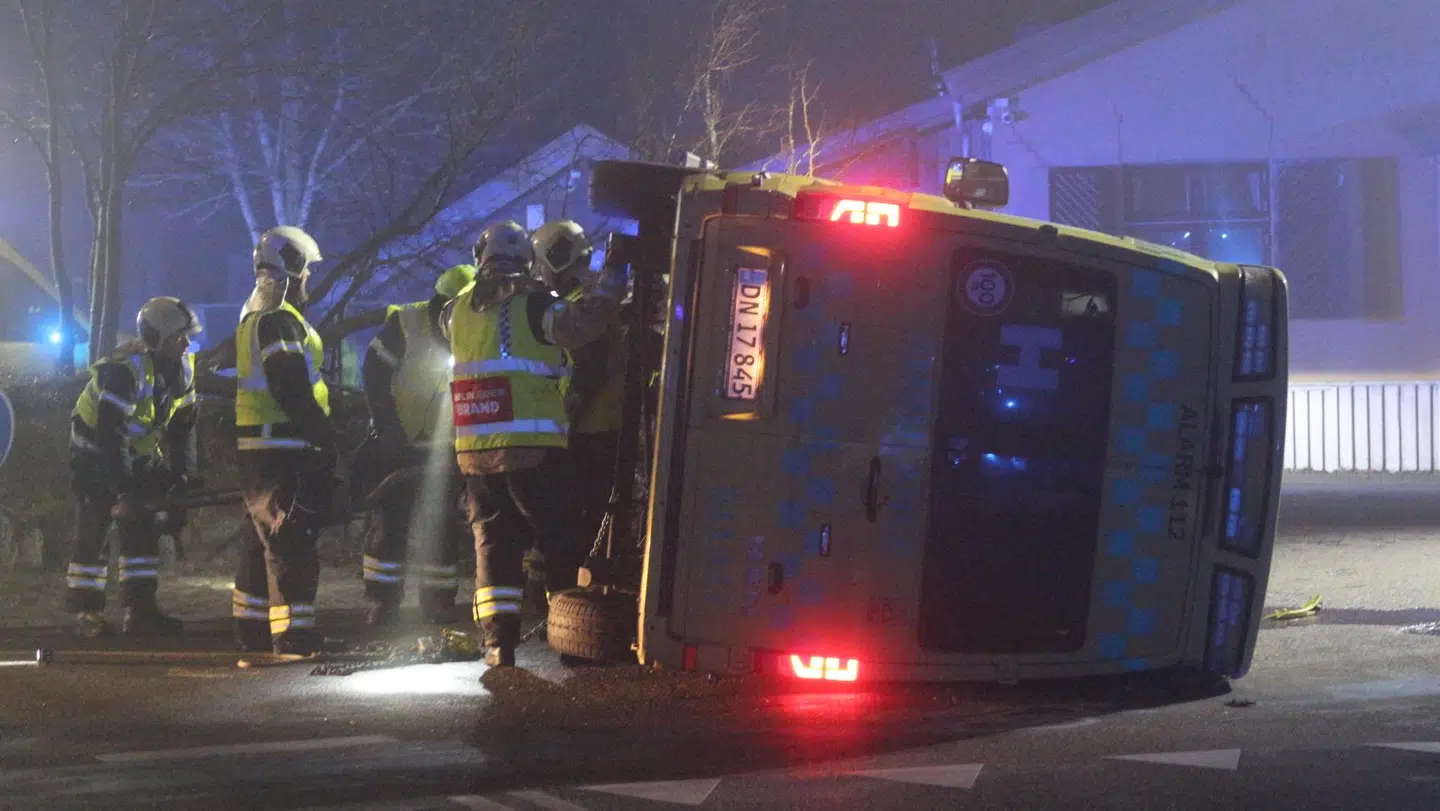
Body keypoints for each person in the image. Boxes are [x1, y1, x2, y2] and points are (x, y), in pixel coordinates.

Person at [445, 220, 625, 667]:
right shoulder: (535, 303)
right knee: (561, 536)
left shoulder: (456, 310)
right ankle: (567, 636)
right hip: (531, 448)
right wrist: (615, 277)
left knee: (493, 544)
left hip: (474, 455)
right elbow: (584, 326)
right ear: (527, 262)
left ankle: (497, 644)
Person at [66, 297, 202, 637]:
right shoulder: (123, 371)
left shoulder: (182, 370)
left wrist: (183, 475)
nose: (187, 344)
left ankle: (140, 612)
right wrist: (123, 491)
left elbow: (184, 427)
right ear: (157, 339)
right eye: (179, 337)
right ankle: (87, 615)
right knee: (95, 528)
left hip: (134, 454)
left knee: (142, 528)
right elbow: (111, 434)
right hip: (94, 455)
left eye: (188, 336)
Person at [231, 226, 337, 655]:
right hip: (284, 449)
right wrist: (323, 436)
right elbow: (291, 386)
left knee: (261, 543)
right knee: (291, 540)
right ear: (293, 274)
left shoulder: (253, 318)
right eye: (308, 272)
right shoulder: (279, 323)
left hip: (260, 450)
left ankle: (253, 629)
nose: (311, 279)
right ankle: (293, 634)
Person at [358, 263, 476, 626]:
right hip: (398, 445)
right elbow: (373, 371)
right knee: (390, 526)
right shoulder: (405, 324)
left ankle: (438, 602)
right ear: (442, 303)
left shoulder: (473, 326)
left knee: (441, 528)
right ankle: (383, 603)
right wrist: (386, 424)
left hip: (447, 447)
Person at [531, 220, 621, 555]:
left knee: (578, 517)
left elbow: (589, 369)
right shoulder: (586, 299)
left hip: (587, 429)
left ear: (554, 259)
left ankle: (572, 588)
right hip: (597, 425)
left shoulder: (579, 306)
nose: (542, 275)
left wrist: (567, 416)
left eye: (542, 265)